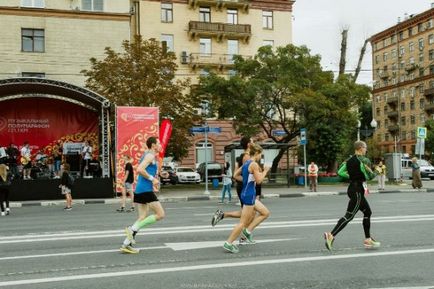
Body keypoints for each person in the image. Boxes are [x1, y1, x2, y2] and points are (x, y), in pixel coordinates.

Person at [324, 140, 380, 251]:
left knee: (367, 212)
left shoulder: (348, 160)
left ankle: (368, 239)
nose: (366, 149)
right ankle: (331, 235)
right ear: (360, 148)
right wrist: (377, 171)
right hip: (357, 191)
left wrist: (351, 176)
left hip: (352, 189)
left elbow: (340, 172)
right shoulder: (364, 160)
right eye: (365, 147)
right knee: (349, 216)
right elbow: (370, 176)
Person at [120, 137, 165, 254]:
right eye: (159, 143)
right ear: (153, 145)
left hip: (140, 189)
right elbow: (139, 169)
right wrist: (152, 179)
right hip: (145, 190)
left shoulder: (148, 154)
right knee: (160, 214)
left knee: (142, 217)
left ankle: (126, 244)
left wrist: (160, 175)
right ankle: (131, 229)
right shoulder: (150, 156)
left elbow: (147, 170)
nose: (161, 145)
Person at [223, 143, 271, 253]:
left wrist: (247, 181)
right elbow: (259, 181)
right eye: (260, 154)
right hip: (249, 195)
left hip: (248, 194)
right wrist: (265, 171)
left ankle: (248, 232)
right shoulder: (254, 164)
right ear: (257, 153)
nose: (260, 157)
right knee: (243, 222)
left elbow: (235, 175)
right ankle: (228, 243)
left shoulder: (246, 163)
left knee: (265, 213)